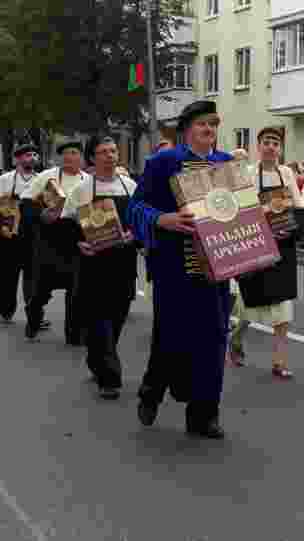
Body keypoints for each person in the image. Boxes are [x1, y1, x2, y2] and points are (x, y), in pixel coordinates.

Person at [128, 100, 234, 439]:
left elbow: (237, 212)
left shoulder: (225, 163)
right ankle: (151, 392)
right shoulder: (164, 162)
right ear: (187, 129)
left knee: (214, 340)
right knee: (170, 338)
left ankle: (204, 415)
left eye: (214, 125)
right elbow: (136, 206)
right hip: (175, 267)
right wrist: (163, 219)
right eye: (204, 124)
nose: (210, 131)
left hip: (215, 268)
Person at [62, 136, 137, 399]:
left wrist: (134, 237)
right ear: (92, 158)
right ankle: (109, 377)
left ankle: (98, 359)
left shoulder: (130, 186)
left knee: (117, 316)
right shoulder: (81, 190)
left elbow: (140, 223)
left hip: (124, 263)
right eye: (103, 152)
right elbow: (66, 226)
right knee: (98, 318)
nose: (110, 156)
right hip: (93, 263)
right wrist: (78, 244)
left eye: (113, 151)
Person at [228, 127, 304, 377]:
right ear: (258, 147)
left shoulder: (287, 173)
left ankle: (279, 362)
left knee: (283, 308)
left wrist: (293, 228)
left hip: (283, 246)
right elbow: (240, 212)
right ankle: (237, 339)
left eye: (275, 143)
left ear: (280, 149)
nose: (271, 146)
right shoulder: (248, 174)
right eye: (266, 142)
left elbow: (299, 204)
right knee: (250, 307)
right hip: (258, 247)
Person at [21, 140, 91, 343]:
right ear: (60, 158)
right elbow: (26, 201)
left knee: (76, 288)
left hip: (77, 238)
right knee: (41, 289)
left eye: (75, 153)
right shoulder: (47, 176)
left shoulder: (88, 180)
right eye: (66, 153)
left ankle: (74, 333)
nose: (70, 157)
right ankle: (33, 317)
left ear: (82, 157)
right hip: (49, 238)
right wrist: (41, 214)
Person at [0, 144, 39, 324]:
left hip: (33, 233)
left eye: (33, 154)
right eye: (27, 155)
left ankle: (34, 313)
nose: (31, 158)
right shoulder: (6, 179)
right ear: (18, 159)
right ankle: (6, 310)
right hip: (10, 234)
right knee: (9, 274)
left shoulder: (41, 179)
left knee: (33, 276)